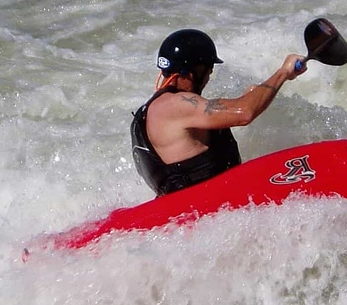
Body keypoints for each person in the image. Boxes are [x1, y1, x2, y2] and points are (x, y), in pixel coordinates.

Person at [131, 28, 306, 195]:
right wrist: (283, 72)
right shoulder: (176, 104)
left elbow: (233, 110)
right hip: (203, 206)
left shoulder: (158, 108)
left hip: (190, 209)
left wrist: (250, 96)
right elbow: (245, 112)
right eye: (209, 71)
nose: (208, 78)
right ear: (195, 71)